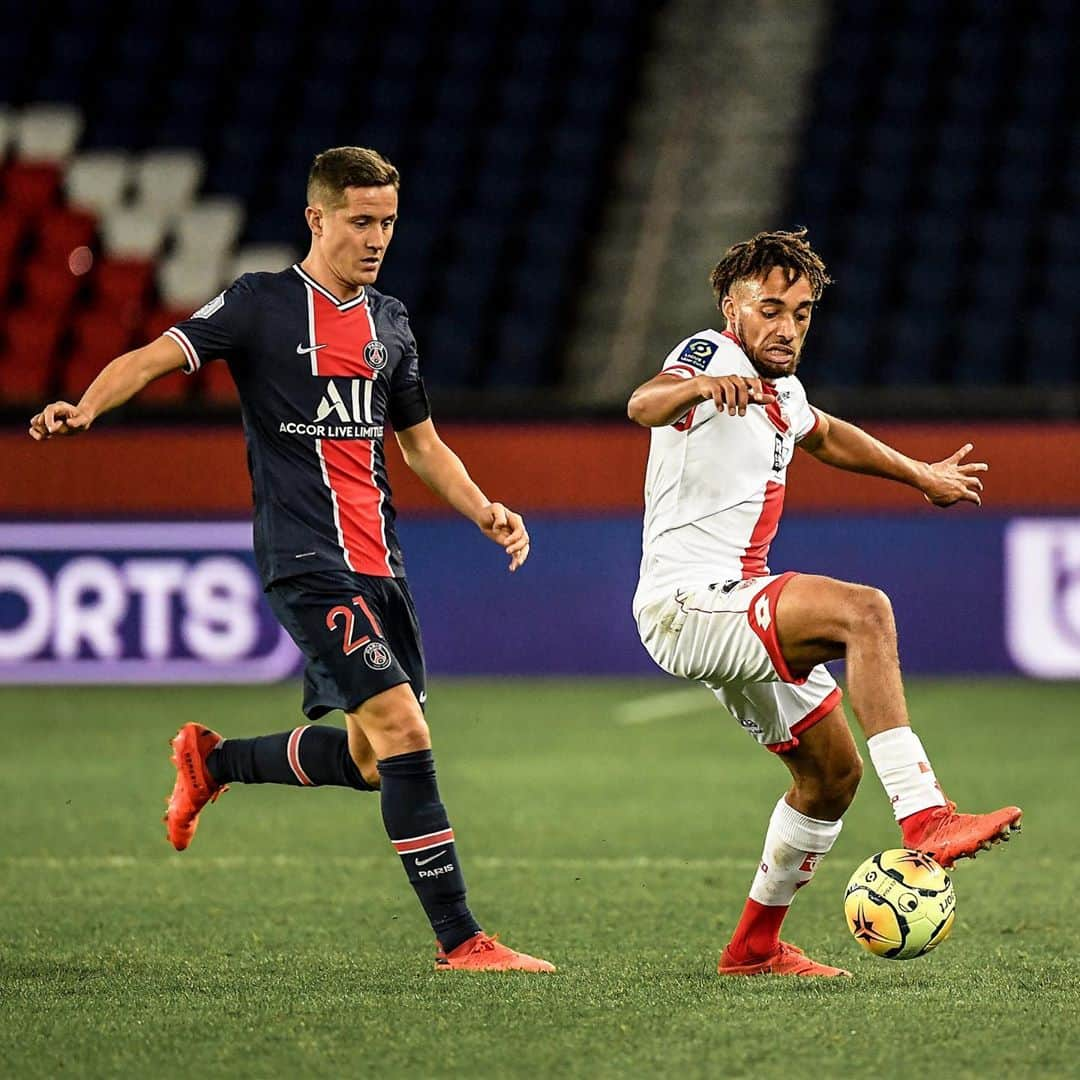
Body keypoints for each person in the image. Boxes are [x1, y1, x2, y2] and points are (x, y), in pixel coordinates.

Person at [29, 146, 554, 974]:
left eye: (387, 221)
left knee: (374, 760)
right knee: (406, 731)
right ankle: (463, 940)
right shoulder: (259, 305)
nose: (377, 237)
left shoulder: (391, 324)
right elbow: (155, 356)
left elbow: (421, 445)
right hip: (306, 558)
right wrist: (85, 407)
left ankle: (216, 760)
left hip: (381, 566)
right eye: (360, 221)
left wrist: (484, 508)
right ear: (317, 219)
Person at [627, 227, 1021, 978]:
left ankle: (753, 949)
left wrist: (921, 476)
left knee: (831, 776)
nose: (786, 327)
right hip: (688, 601)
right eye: (770, 309)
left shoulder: (783, 390)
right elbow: (645, 402)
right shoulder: (711, 355)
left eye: (801, 314)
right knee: (862, 611)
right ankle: (926, 814)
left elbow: (828, 435)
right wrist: (699, 386)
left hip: (734, 601)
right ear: (731, 307)